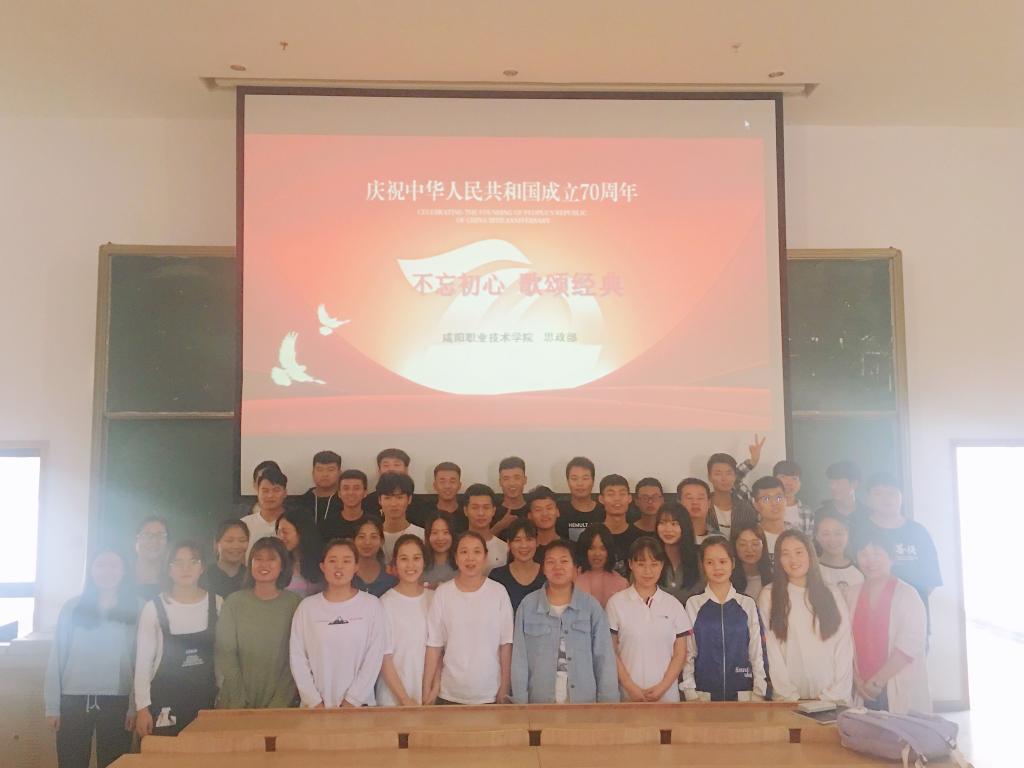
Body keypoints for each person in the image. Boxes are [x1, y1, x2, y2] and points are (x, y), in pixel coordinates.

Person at [45, 549, 137, 768]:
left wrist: (134, 706)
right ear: (91, 570)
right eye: (100, 565)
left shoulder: (138, 607)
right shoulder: (72, 607)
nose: (107, 571)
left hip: (118, 700)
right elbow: (57, 656)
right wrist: (52, 706)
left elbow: (141, 661)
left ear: (124, 570)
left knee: (115, 762)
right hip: (73, 700)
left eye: (114, 565)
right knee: (71, 762)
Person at [511, 539, 618, 703]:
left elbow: (604, 660)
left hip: (583, 703)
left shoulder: (591, 607)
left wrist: (608, 705)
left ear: (576, 569)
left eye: (564, 561)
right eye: (550, 562)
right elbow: (519, 660)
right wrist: (520, 703)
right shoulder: (528, 606)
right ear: (543, 569)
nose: (557, 567)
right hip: (539, 702)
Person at [134, 541, 222, 736]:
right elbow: (143, 663)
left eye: (193, 562)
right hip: (164, 702)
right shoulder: (153, 607)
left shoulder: (217, 603)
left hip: (207, 701)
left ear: (202, 567)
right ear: (168, 569)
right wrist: (142, 708)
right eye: (178, 562)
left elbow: (222, 656)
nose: (185, 568)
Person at [289, 539, 388, 707]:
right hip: (315, 709)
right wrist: (314, 701)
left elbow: (374, 658)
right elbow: (297, 657)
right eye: (332, 560)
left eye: (346, 561)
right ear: (323, 566)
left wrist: (353, 700)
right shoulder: (307, 607)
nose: (339, 566)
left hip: (359, 707)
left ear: (356, 567)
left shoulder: (371, 605)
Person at [757, 530, 853, 703]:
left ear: (810, 554)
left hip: (832, 698)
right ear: (778, 560)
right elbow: (771, 650)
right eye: (785, 554)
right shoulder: (769, 595)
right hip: (790, 700)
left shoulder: (831, 593)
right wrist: (788, 695)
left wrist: (832, 695)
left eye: (799, 552)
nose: (793, 560)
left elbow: (844, 645)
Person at [423, 531, 514, 705]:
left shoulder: (498, 592)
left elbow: (506, 644)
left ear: (485, 557)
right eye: (464, 552)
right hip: (450, 692)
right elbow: (434, 645)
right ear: (456, 557)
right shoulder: (443, 593)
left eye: (477, 552)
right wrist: (427, 688)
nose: (470, 558)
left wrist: (504, 687)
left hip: (489, 692)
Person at [847, 531, 931, 713]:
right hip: (861, 687)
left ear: (891, 558)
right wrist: (856, 680)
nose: (870, 560)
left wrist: (878, 681)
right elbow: (843, 642)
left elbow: (911, 643)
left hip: (895, 683)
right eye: (864, 554)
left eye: (877, 554)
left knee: (899, 729)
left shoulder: (907, 594)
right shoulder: (850, 594)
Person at [214, 537, 301, 708]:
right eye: (258, 559)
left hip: (281, 705)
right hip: (235, 704)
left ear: (282, 565)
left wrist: (279, 704)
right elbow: (226, 653)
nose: (264, 564)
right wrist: (239, 700)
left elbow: (296, 657)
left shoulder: (295, 604)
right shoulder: (234, 602)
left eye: (271, 559)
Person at [606, 537, 692, 702]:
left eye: (654, 564)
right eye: (641, 564)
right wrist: (630, 687)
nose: (648, 571)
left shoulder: (673, 605)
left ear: (662, 565)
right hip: (628, 696)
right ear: (630, 564)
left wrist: (662, 688)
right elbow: (611, 651)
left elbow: (680, 653)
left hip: (667, 696)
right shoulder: (616, 603)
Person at [682, 536, 768, 702]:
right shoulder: (693, 604)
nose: (717, 567)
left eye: (723, 561)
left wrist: (759, 689)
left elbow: (756, 651)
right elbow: (688, 651)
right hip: (703, 695)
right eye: (710, 562)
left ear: (732, 563)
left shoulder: (747, 604)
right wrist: (689, 690)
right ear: (702, 565)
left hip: (743, 693)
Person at [860, 473, 942, 627]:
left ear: (901, 496)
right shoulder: (859, 530)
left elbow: (930, 579)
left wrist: (909, 603)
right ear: (868, 498)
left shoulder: (918, 531)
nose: (886, 498)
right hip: (870, 616)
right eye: (878, 493)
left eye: (891, 493)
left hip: (913, 616)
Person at [377, 535, 433, 706]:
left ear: (424, 562)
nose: (410, 565)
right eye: (404, 559)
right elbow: (384, 657)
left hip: (428, 696)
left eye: (416, 558)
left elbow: (439, 649)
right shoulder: (384, 603)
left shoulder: (434, 599)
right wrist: (404, 699)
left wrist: (434, 689)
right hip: (392, 698)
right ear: (395, 563)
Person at [488, 519, 545, 613]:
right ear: (509, 544)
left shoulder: (547, 574)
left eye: (529, 539)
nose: (524, 545)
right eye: (517, 540)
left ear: (537, 542)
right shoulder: (497, 576)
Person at [574, 523, 629, 608]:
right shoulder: (572, 578)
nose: (597, 553)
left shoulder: (621, 583)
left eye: (603, 548)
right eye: (592, 548)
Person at [363, 448, 423, 525]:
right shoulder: (367, 503)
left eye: (397, 465)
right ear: (379, 471)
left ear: (406, 470)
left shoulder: (420, 504)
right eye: (386, 465)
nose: (391, 469)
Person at [706, 453, 758, 539]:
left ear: (735, 476)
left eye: (729, 473)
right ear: (709, 477)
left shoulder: (746, 509)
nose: (724, 478)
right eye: (718, 474)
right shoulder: (703, 506)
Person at [654, 505, 700, 603]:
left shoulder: (699, 558)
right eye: (662, 523)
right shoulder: (651, 557)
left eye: (674, 524)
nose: (668, 529)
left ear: (685, 526)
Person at [376, 472, 424, 565]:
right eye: (387, 498)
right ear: (379, 500)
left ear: (409, 499)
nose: (393, 504)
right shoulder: (372, 537)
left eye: (399, 497)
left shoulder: (422, 535)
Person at [241, 467, 289, 555]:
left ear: (285, 493)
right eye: (265, 491)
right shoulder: (244, 524)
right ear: (257, 492)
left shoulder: (294, 523)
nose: (270, 495)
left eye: (276, 490)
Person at [597, 474, 638, 578]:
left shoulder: (639, 536)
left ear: (629, 498)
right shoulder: (591, 535)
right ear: (601, 499)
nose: (617, 499)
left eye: (622, 494)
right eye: (611, 494)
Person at [815, 513, 864, 599]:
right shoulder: (811, 569)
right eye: (826, 534)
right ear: (817, 537)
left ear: (848, 535)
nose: (833, 539)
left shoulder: (861, 570)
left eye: (838, 533)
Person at [275, 511, 325, 596]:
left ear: (301, 532)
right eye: (278, 532)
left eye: (285, 532)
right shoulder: (278, 562)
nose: (281, 537)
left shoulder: (321, 561)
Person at [557, 457, 605, 542]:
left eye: (585, 478)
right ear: (567, 481)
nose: (580, 483)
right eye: (574, 478)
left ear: (593, 481)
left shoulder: (604, 511)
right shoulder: (558, 511)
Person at [199, 519, 250, 598]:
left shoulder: (252, 577)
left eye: (242, 540)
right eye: (229, 541)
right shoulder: (203, 576)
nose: (236, 546)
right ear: (216, 544)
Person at [463, 483, 508, 572]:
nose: (481, 513)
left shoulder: (505, 549)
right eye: (475, 508)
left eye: (486, 508)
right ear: (465, 510)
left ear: (493, 511)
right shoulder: (456, 546)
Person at [318, 468, 371, 542]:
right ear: (339, 493)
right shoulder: (327, 525)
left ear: (365, 493)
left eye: (356, 488)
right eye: (346, 488)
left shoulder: (372, 523)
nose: (351, 493)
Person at [814, 461, 869, 529]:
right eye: (831, 483)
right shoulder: (821, 514)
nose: (833, 487)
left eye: (839, 483)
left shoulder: (867, 515)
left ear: (854, 484)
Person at [352, 517, 399, 597]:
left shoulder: (391, 577)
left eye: (373, 537)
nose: (367, 542)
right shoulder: (346, 576)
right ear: (353, 541)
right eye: (361, 536)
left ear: (382, 541)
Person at [750, 475, 792, 565]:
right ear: (756, 505)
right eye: (766, 499)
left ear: (786, 500)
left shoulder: (796, 532)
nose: (774, 503)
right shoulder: (751, 536)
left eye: (779, 497)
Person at [299, 450, 342, 530]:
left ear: (339, 473)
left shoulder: (346, 502)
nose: (325, 474)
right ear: (313, 473)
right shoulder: (301, 503)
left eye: (330, 470)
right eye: (320, 469)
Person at [730, 522, 773, 599]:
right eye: (743, 544)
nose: (749, 549)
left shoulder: (773, 577)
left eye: (755, 544)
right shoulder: (727, 579)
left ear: (763, 546)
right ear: (734, 546)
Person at [492, 456, 529, 540]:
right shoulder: (491, 511)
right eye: (506, 479)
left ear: (525, 480)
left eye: (517, 478)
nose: (512, 483)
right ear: (500, 482)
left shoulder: (534, 510)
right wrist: (500, 526)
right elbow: (480, 542)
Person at [774, 459, 814, 535]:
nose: (789, 483)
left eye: (794, 478)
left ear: (800, 484)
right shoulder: (766, 508)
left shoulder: (807, 511)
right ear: (774, 480)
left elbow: (809, 540)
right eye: (783, 477)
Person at [134, 516, 169, 601]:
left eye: (160, 535)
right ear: (136, 539)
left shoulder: (174, 578)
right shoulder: (122, 574)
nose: (154, 541)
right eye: (147, 535)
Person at [677, 478, 721, 544]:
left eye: (700, 498)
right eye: (689, 498)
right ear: (679, 503)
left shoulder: (719, 539)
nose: (695, 502)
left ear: (709, 503)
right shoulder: (671, 536)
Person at [422, 511, 458, 588]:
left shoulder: (461, 564)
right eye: (435, 532)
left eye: (446, 532)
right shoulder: (420, 564)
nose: (440, 538)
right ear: (428, 535)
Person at [526, 485, 561, 562]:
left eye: (549, 508)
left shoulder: (570, 548)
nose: (545, 514)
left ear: (557, 512)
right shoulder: (524, 551)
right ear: (530, 516)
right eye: (538, 510)